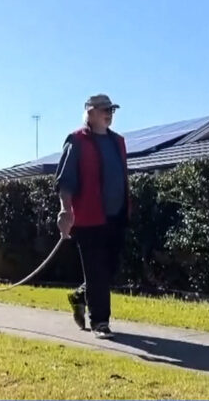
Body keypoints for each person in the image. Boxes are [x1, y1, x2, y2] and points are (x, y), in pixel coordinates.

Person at [54, 93, 130, 339]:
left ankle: (79, 296)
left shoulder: (118, 142)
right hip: (88, 217)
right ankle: (100, 322)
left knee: (110, 269)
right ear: (90, 111)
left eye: (111, 110)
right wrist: (66, 209)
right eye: (104, 109)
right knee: (96, 269)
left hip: (116, 215)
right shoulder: (76, 141)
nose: (109, 113)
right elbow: (65, 180)